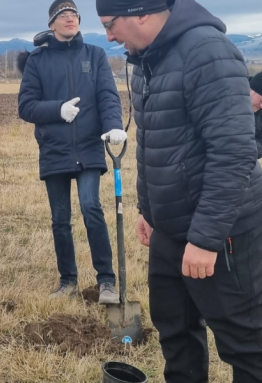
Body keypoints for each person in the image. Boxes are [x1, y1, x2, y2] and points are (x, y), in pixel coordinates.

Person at [96, 0, 262, 382]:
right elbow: (154, 143)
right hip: (170, 231)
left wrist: (205, 239)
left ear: (141, 12)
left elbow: (235, 153)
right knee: (176, 334)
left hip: (223, 232)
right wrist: (148, 210)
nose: (108, 36)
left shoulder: (207, 53)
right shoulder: (143, 61)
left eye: (110, 24)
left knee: (246, 345)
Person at [18, 0, 127, 304]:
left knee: (92, 208)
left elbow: (107, 95)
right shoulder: (37, 61)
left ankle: (106, 281)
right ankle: (68, 281)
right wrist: (57, 110)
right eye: (62, 15)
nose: (70, 18)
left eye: (74, 14)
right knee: (60, 219)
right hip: (54, 148)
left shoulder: (95, 55)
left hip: (90, 146)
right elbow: (25, 106)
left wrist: (113, 125)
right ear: (52, 24)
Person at [249, 71, 262, 157]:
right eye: (261, 100)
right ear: (251, 91)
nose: (261, 106)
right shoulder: (229, 103)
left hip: (247, 158)